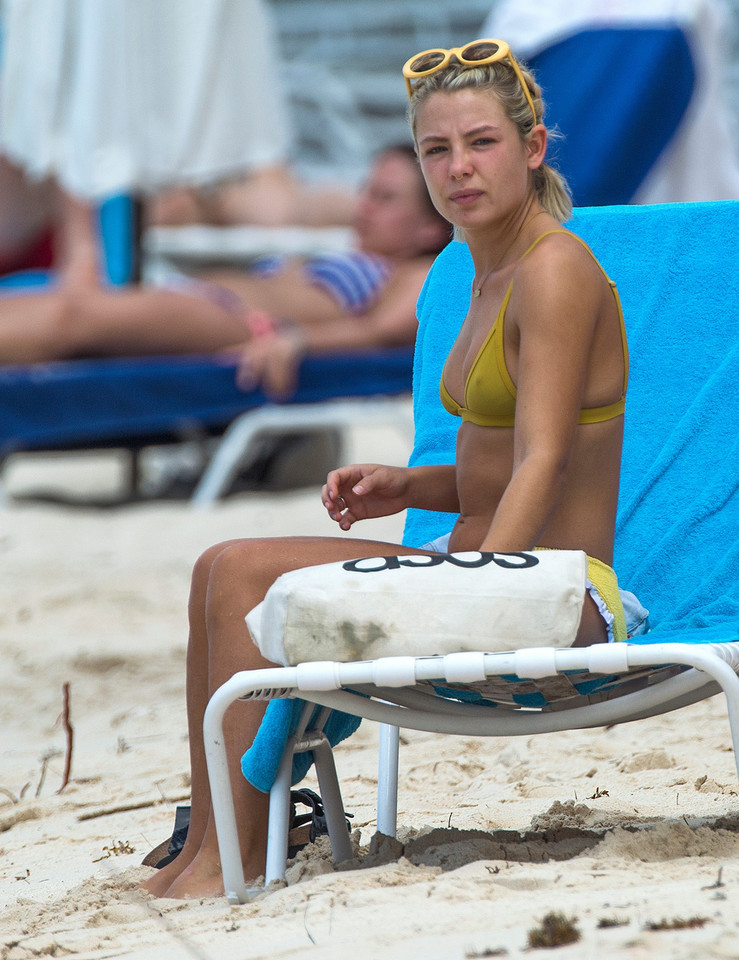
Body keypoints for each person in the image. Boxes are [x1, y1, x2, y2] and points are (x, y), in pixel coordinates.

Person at [141, 37, 633, 900]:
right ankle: (207, 847)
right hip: (494, 571)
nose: (458, 168)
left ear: (532, 147)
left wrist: (471, 583)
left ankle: (228, 859)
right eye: (435, 150)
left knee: (242, 573)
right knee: (216, 566)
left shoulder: (555, 269)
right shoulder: (483, 275)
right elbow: (503, 466)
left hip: (554, 599)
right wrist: (411, 488)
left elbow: (548, 463)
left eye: (481, 143)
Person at [0, 145, 450, 396]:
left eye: (385, 198)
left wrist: (295, 341)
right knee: (63, 306)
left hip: (242, 322)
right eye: (365, 190)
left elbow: (378, 330)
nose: (363, 206)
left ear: (431, 227)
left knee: (72, 318)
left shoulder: (421, 273)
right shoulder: (358, 256)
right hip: (205, 301)